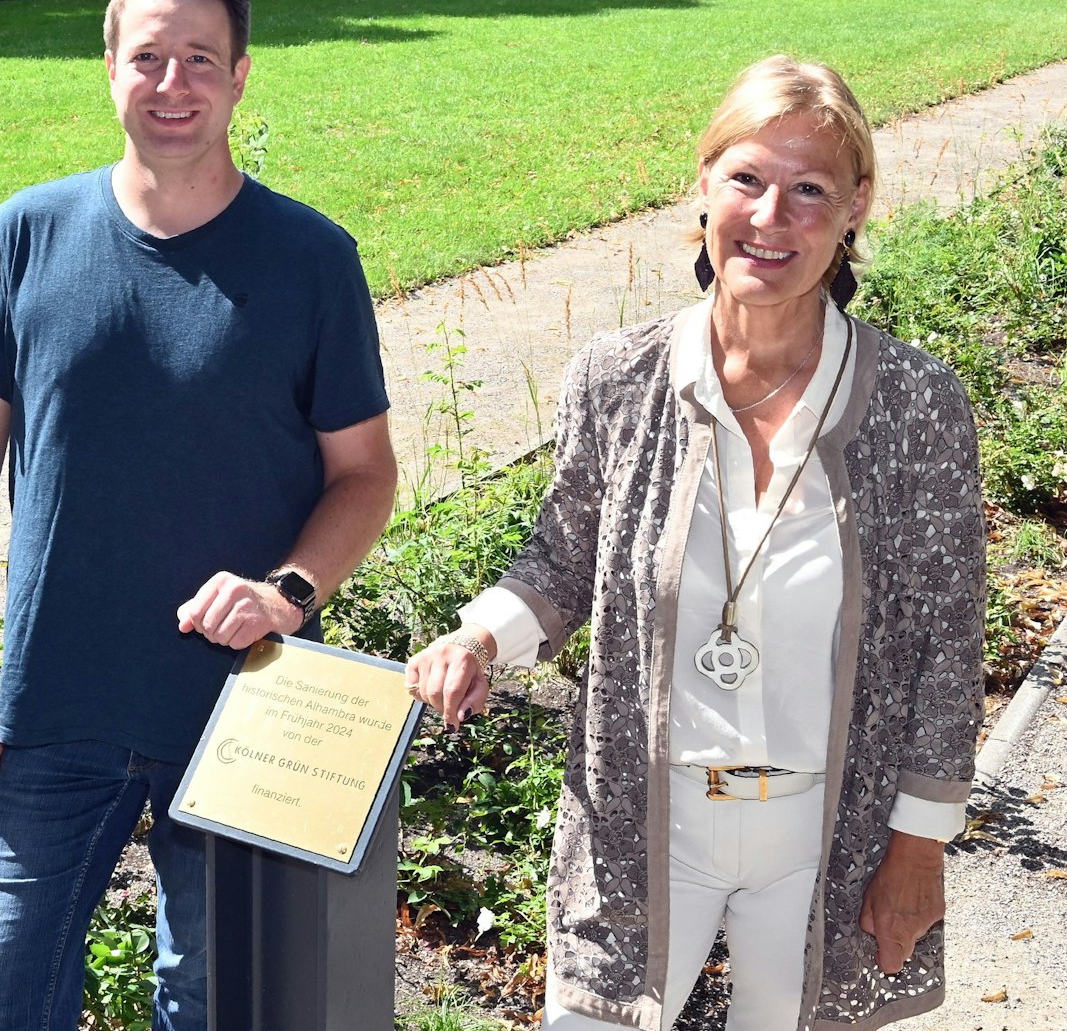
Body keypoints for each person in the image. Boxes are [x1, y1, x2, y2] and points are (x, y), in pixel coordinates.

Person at [407, 56, 986, 1031]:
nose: (771, 218)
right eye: (748, 180)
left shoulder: (915, 404)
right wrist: (476, 640)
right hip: (644, 823)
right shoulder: (619, 377)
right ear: (703, 187)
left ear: (855, 208)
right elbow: (559, 558)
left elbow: (945, 642)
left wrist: (917, 847)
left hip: (822, 831)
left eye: (809, 191)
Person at [0, 0, 398, 1031]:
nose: (171, 84)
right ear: (108, 70)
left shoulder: (310, 259)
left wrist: (287, 587)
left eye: (198, 59)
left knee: (214, 1002)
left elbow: (363, 475)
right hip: (54, 703)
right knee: (5, 996)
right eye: (147, 58)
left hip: (242, 708)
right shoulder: (28, 234)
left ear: (239, 79)